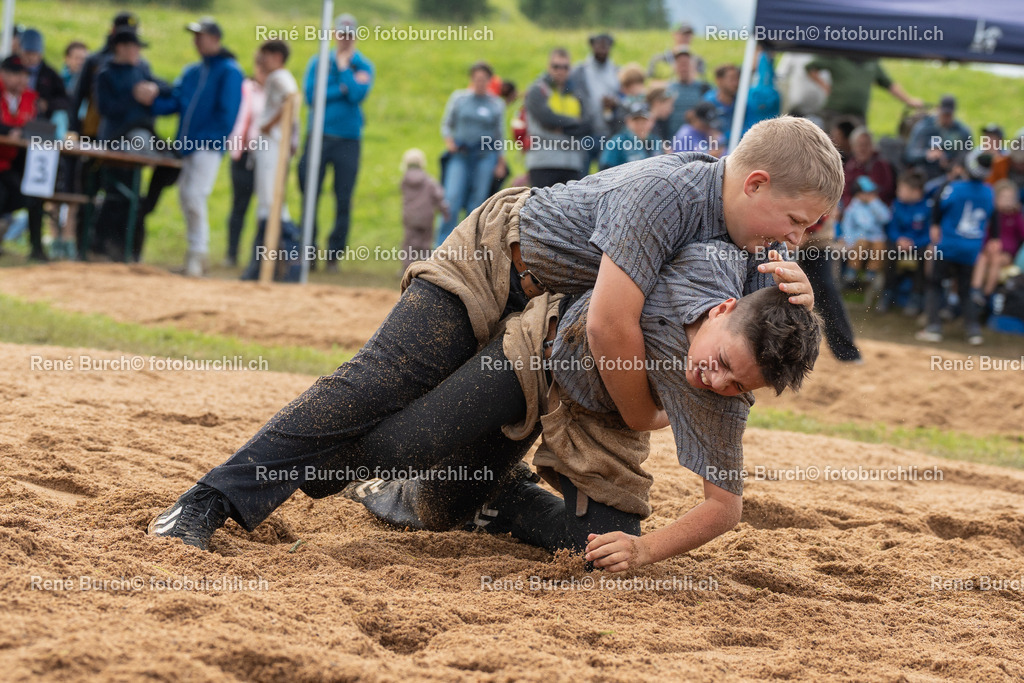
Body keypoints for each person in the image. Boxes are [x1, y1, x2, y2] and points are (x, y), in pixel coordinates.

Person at [144, 116, 842, 553]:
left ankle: (482, 491)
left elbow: (756, 327)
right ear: (754, 183)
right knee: (379, 382)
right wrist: (642, 415)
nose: (798, 239)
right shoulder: (669, 194)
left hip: (548, 328)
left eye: (807, 231)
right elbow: (610, 324)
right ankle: (209, 500)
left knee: (444, 482)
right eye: (797, 221)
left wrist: (799, 296)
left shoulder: (745, 246)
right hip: (497, 261)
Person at [346, 243, 821, 567]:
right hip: (544, 349)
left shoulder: (725, 402)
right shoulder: (702, 261)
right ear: (723, 309)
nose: (715, 381)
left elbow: (725, 508)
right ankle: (360, 473)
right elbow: (746, 214)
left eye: (738, 385)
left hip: (602, 419)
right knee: (422, 469)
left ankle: (504, 501)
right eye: (723, 362)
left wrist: (645, 550)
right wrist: (791, 276)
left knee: (598, 554)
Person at [133, 17, 243, 277]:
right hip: (186, 146)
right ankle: (195, 254)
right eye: (195, 36)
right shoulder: (192, 72)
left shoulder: (229, 71)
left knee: (195, 194)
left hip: (208, 147)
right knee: (186, 195)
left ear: (215, 39)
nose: (196, 41)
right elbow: (175, 102)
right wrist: (151, 101)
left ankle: (198, 254)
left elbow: (227, 115)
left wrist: (204, 140)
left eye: (201, 36)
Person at [298, 13, 374, 272]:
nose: (345, 39)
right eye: (341, 34)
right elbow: (311, 96)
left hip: (348, 140)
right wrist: (342, 87)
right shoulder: (318, 62)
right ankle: (308, 250)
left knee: (343, 198)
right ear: (334, 34)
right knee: (310, 193)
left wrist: (342, 71)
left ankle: (334, 254)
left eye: (349, 34)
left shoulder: (363, 65)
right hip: (318, 136)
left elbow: (357, 94)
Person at [92, 29, 163, 261]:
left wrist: (154, 89)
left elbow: (168, 88)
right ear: (120, 47)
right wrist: (133, 96)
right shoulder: (106, 73)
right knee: (116, 195)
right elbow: (105, 109)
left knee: (135, 196)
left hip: (140, 143)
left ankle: (128, 247)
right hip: (115, 142)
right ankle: (105, 246)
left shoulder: (142, 69)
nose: (137, 52)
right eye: (133, 47)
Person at [916, 150, 995, 345]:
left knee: (935, 283)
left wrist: (935, 224)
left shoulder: (955, 188)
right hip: (971, 248)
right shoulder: (989, 192)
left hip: (948, 245)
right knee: (965, 289)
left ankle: (934, 327)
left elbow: (938, 205)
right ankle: (973, 331)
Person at [241, 39, 300, 279]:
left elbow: (292, 100)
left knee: (271, 205)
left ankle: (289, 266)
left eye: (265, 55)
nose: (260, 60)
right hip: (273, 145)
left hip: (272, 145)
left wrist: (269, 125)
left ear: (276, 56)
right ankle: (263, 267)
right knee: (268, 206)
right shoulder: (278, 77)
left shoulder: (278, 77)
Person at [435, 61, 505, 246]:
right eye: (477, 79)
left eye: (484, 79)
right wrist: (449, 142)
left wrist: (500, 162)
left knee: (478, 202)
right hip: (461, 155)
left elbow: (500, 135)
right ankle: (442, 246)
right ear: (472, 79)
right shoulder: (459, 99)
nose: (480, 82)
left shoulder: (496, 104)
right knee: (452, 198)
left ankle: (470, 247)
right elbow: (447, 124)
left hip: (484, 157)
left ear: (489, 81)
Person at [523, 48, 589, 188]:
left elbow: (586, 125)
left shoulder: (577, 93)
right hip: (543, 162)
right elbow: (546, 118)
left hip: (572, 164)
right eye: (556, 66)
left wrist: (560, 127)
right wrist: (573, 123)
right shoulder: (537, 90)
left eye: (565, 67)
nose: (560, 71)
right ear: (548, 67)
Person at [0, 56, 43, 261]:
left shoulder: (30, 98)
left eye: (25, 75)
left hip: (12, 163)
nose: (22, 79)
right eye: (17, 74)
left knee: (32, 194)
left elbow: (35, 125)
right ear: (3, 74)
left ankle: (37, 249)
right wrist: (9, 131)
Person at [225, 57, 266, 268]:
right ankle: (231, 253)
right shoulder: (244, 89)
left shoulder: (276, 92)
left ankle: (259, 257)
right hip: (243, 154)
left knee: (264, 209)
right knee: (239, 206)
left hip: (265, 158)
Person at [804, 55, 922, 128]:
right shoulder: (838, 56)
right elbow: (811, 67)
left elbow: (889, 84)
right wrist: (825, 86)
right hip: (834, 113)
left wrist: (909, 100)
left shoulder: (871, 62)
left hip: (858, 116)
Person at [878, 169, 931, 315]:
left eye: (901, 189)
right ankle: (887, 294)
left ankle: (916, 297)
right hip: (899, 244)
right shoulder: (897, 205)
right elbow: (892, 227)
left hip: (918, 246)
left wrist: (914, 243)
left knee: (925, 256)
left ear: (915, 191)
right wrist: (899, 239)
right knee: (889, 253)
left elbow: (930, 233)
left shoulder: (928, 207)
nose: (898, 192)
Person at [838, 176, 891, 306]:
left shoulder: (876, 204)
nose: (870, 195)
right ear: (858, 194)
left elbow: (886, 218)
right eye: (867, 193)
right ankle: (852, 270)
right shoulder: (853, 208)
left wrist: (874, 204)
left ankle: (871, 272)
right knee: (862, 243)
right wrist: (849, 241)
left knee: (879, 245)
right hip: (859, 239)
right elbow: (847, 226)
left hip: (876, 238)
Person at [571, 33, 619, 170]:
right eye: (599, 45)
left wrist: (614, 104)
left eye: (606, 45)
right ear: (592, 46)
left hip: (609, 133)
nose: (603, 49)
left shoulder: (616, 71)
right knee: (581, 173)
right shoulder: (580, 71)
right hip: (585, 132)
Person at [971, 179, 1024, 304]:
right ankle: (975, 290)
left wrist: (1017, 213)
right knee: (981, 258)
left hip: (1006, 254)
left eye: (1010, 198)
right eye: (1004, 198)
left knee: (996, 259)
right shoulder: (992, 215)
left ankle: (987, 294)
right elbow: (984, 234)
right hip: (989, 251)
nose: (1007, 201)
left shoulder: (1015, 216)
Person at [399, 148, 448, 270]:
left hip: (410, 218)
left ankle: (407, 268)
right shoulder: (429, 181)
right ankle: (426, 269)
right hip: (426, 218)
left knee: (409, 244)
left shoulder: (404, 181)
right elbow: (438, 196)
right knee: (425, 244)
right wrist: (444, 210)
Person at [905, 95, 972, 180]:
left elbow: (967, 155)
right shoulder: (924, 127)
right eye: (944, 114)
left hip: (950, 174)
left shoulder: (962, 131)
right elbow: (910, 154)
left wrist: (951, 163)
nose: (946, 118)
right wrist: (927, 154)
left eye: (949, 115)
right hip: (925, 172)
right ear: (938, 110)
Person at [18, 29, 69, 133]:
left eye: (34, 53)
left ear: (40, 54)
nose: (30, 57)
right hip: (15, 117)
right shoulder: (13, 68)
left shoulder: (50, 74)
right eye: (27, 53)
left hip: (40, 121)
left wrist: (48, 104)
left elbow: (65, 100)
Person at [842, 127, 895, 207]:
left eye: (866, 145)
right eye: (859, 145)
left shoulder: (882, 165)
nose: (862, 149)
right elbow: (845, 193)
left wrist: (869, 199)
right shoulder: (850, 167)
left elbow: (887, 190)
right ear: (853, 147)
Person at [598, 102, 660, 170]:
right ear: (628, 121)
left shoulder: (657, 141)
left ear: (652, 121)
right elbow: (605, 167)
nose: (640, 125)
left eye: (644, 121)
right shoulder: (617, 142)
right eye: (636, 121)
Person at [665, 48, 709, 137]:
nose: (683, 68)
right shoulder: (668, 89)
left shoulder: (704, 88)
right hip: (673, 140)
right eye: (680, 64)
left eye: (686, 64)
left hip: (698, 140)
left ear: (694, 66)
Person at [703, 64, 737, 142]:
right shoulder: (708, 101)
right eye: (731, 79)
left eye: (737, 79)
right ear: (719, 80)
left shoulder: (742, 102)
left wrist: (724, 137)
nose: (735, 83)